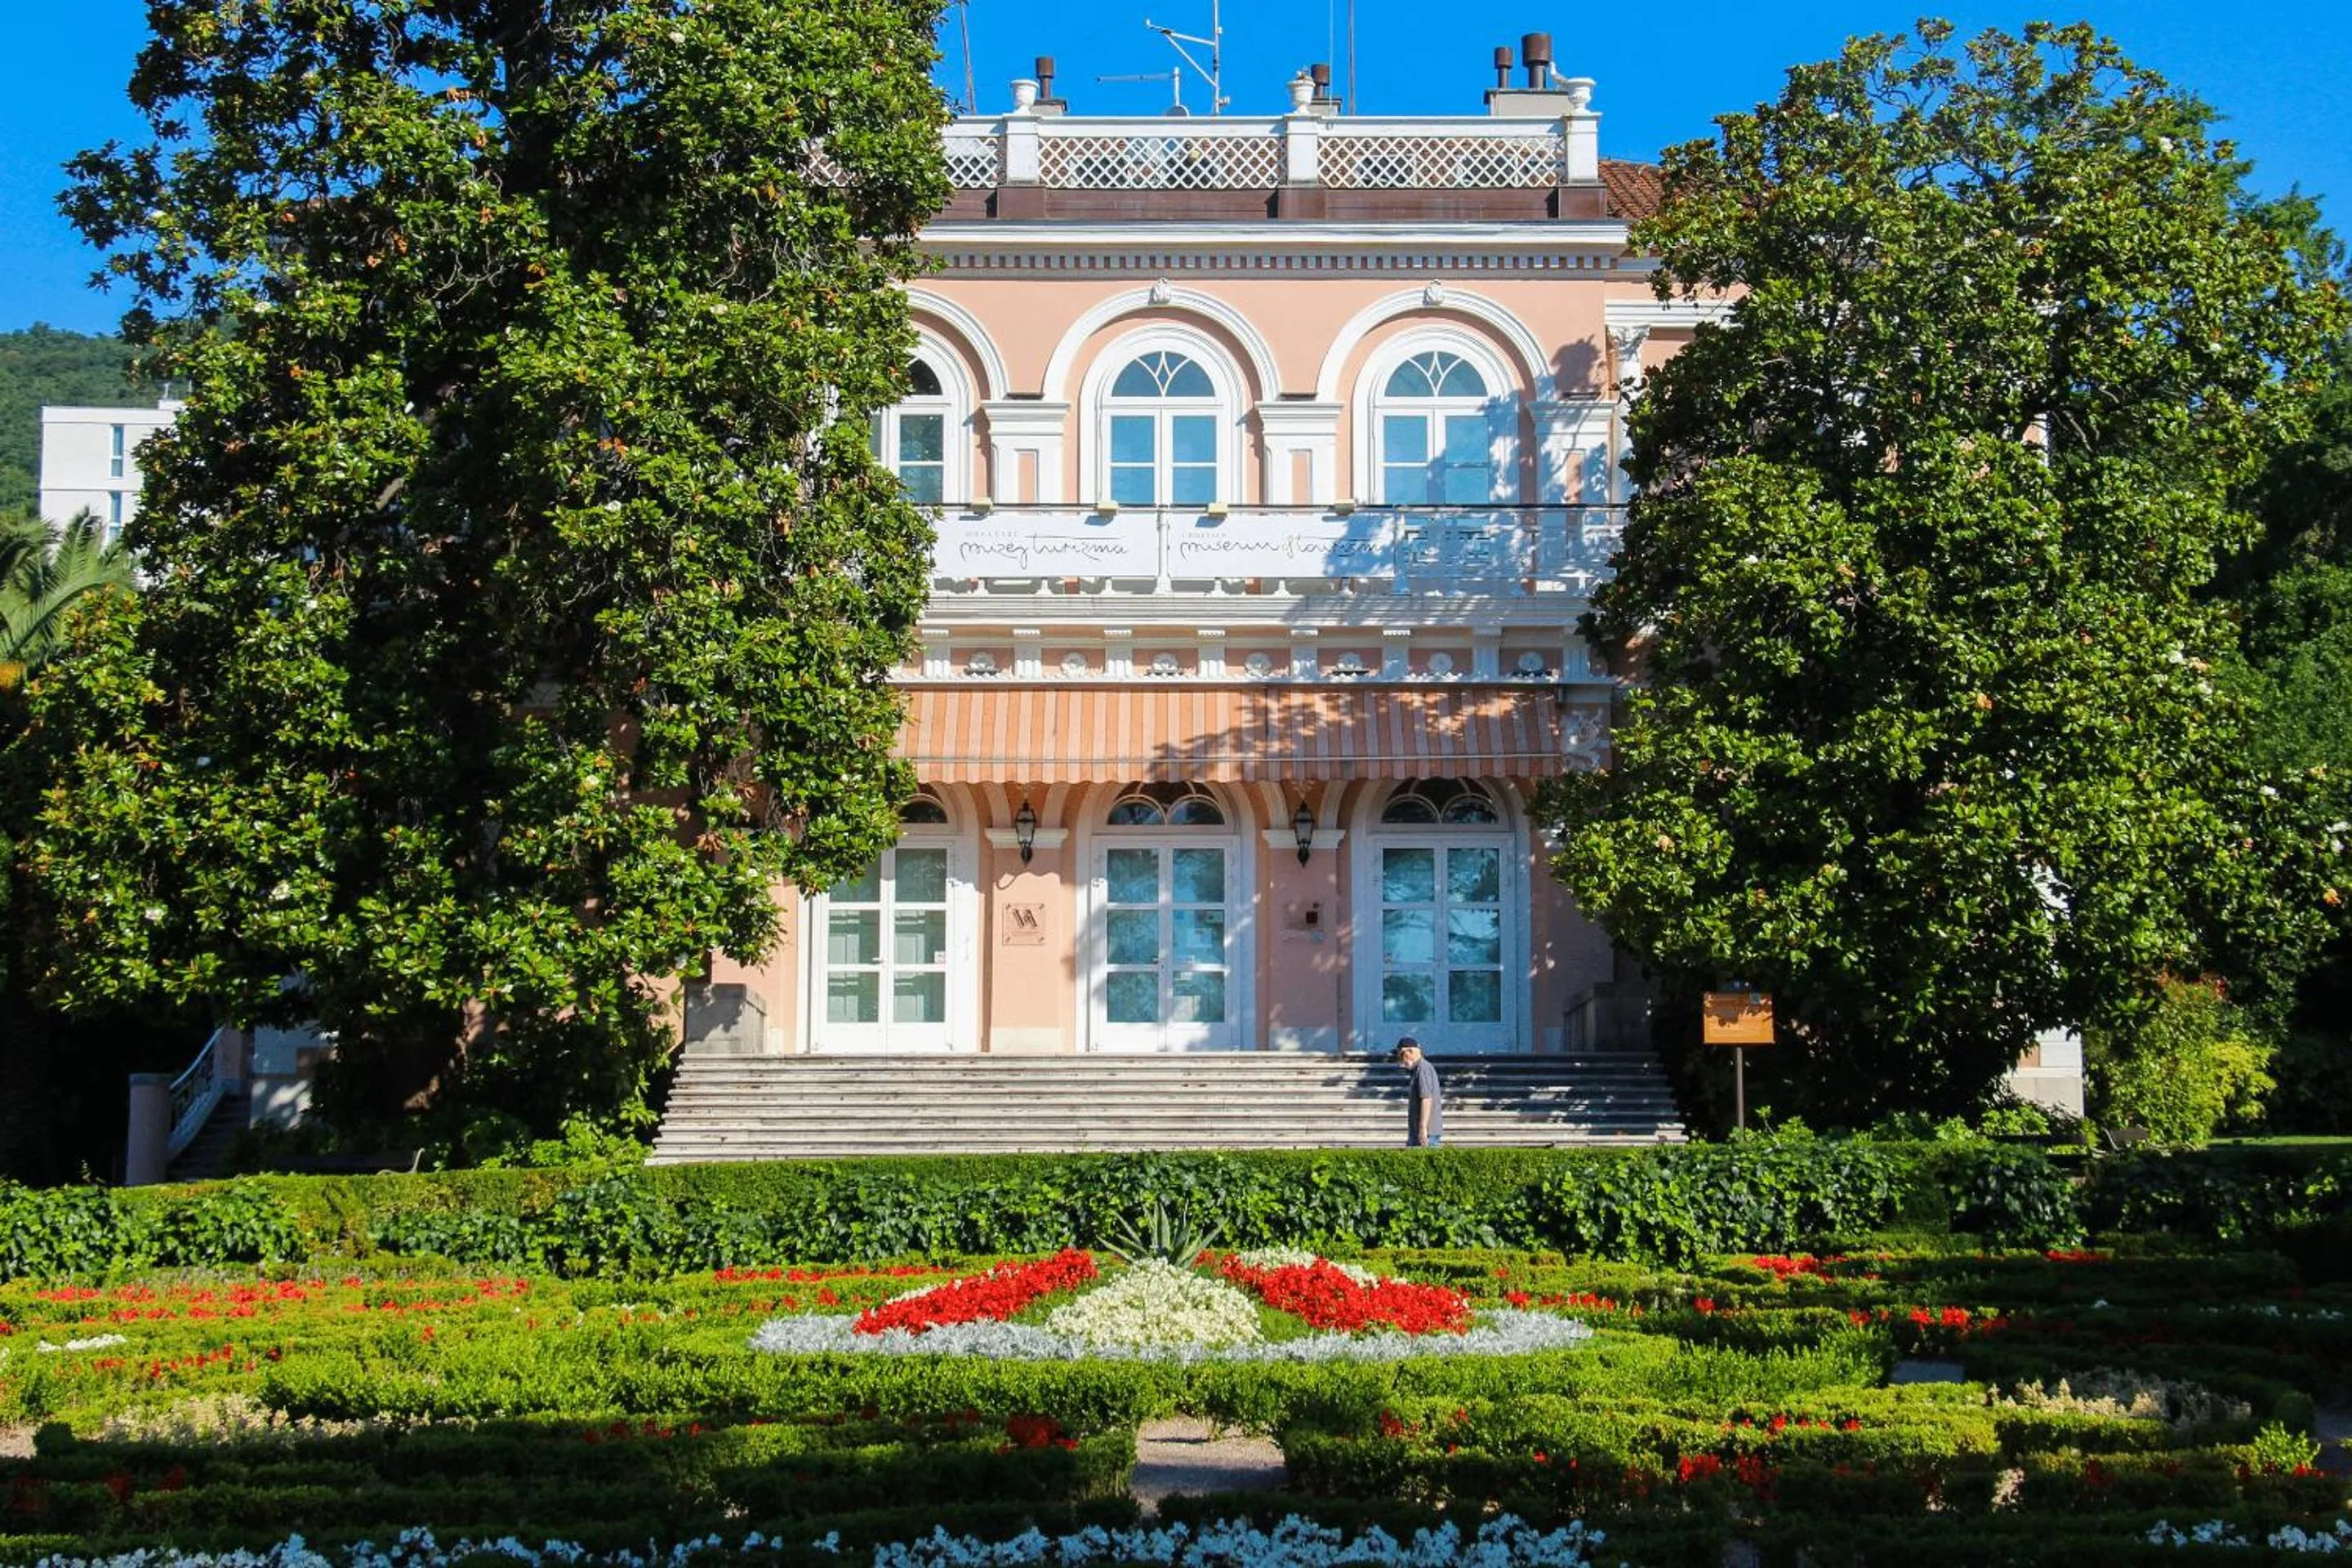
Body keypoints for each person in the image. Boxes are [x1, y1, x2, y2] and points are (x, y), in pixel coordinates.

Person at [1395, 1036, 1441, 1147]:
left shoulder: (1423, 1068)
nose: (1400, 1060)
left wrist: (1423, 1128)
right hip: (1421, 1131)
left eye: (1401, 1055)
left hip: (1426, 1133)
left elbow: (1426, 1099)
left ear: (1411, 1051)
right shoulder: (1418, 1069)